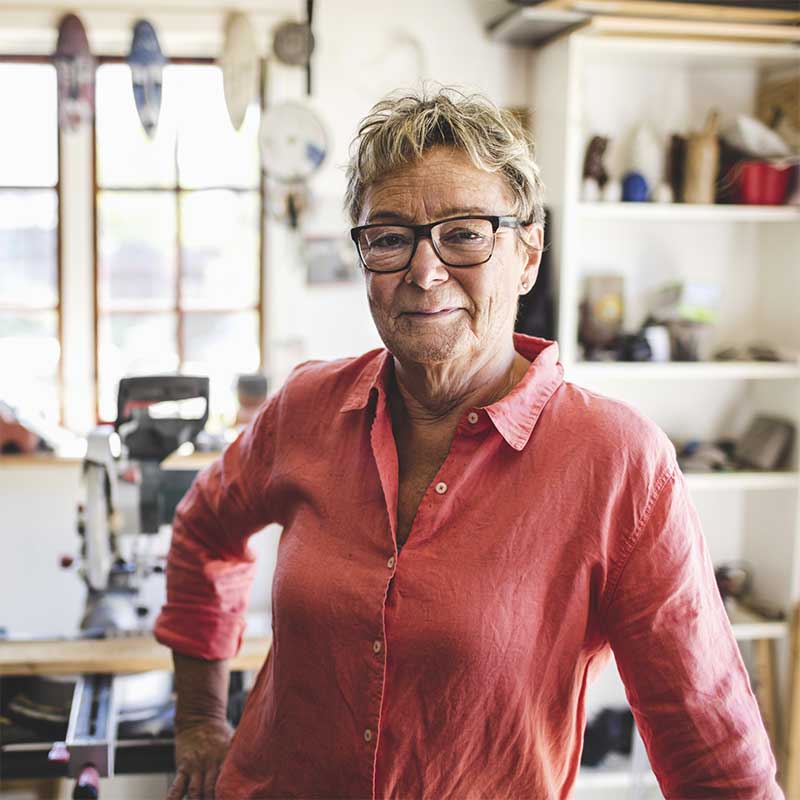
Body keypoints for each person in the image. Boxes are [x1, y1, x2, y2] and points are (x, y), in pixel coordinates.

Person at [155, 88, 783, 799]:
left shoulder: (619, 465)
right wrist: (201, 718)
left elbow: (714, 757)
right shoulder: (305, 408)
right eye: (390, 237)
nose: (424, 273)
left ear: (528, 253)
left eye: (466, 233)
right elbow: (205, 528)